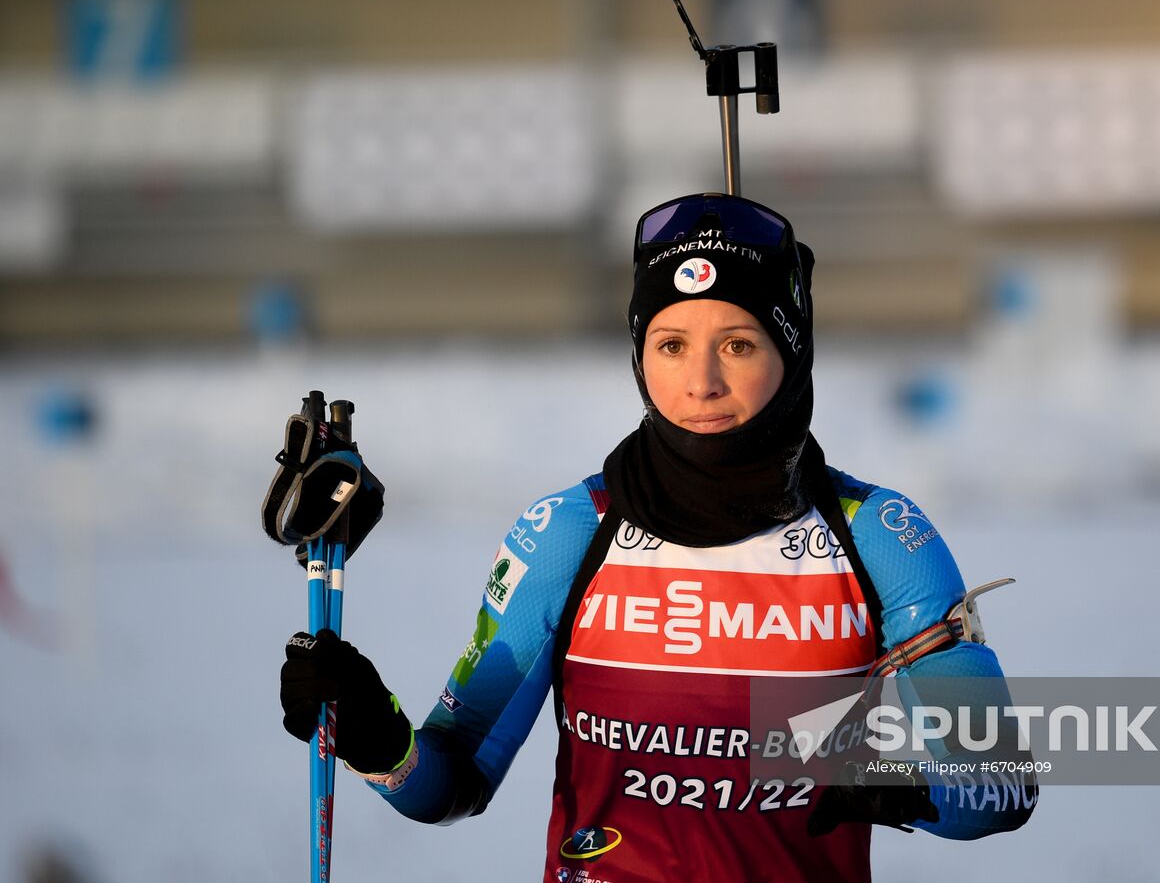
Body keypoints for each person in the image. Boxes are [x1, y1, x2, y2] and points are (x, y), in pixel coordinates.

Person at [280, 193, 1036, 882]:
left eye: (738, 343)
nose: (700, 381)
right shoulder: (568, 533)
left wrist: (871, 770)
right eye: (671, 343)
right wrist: (378, 742)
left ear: (792, 351)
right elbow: (446, 783)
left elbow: (1000, 787)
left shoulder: (882, 536)